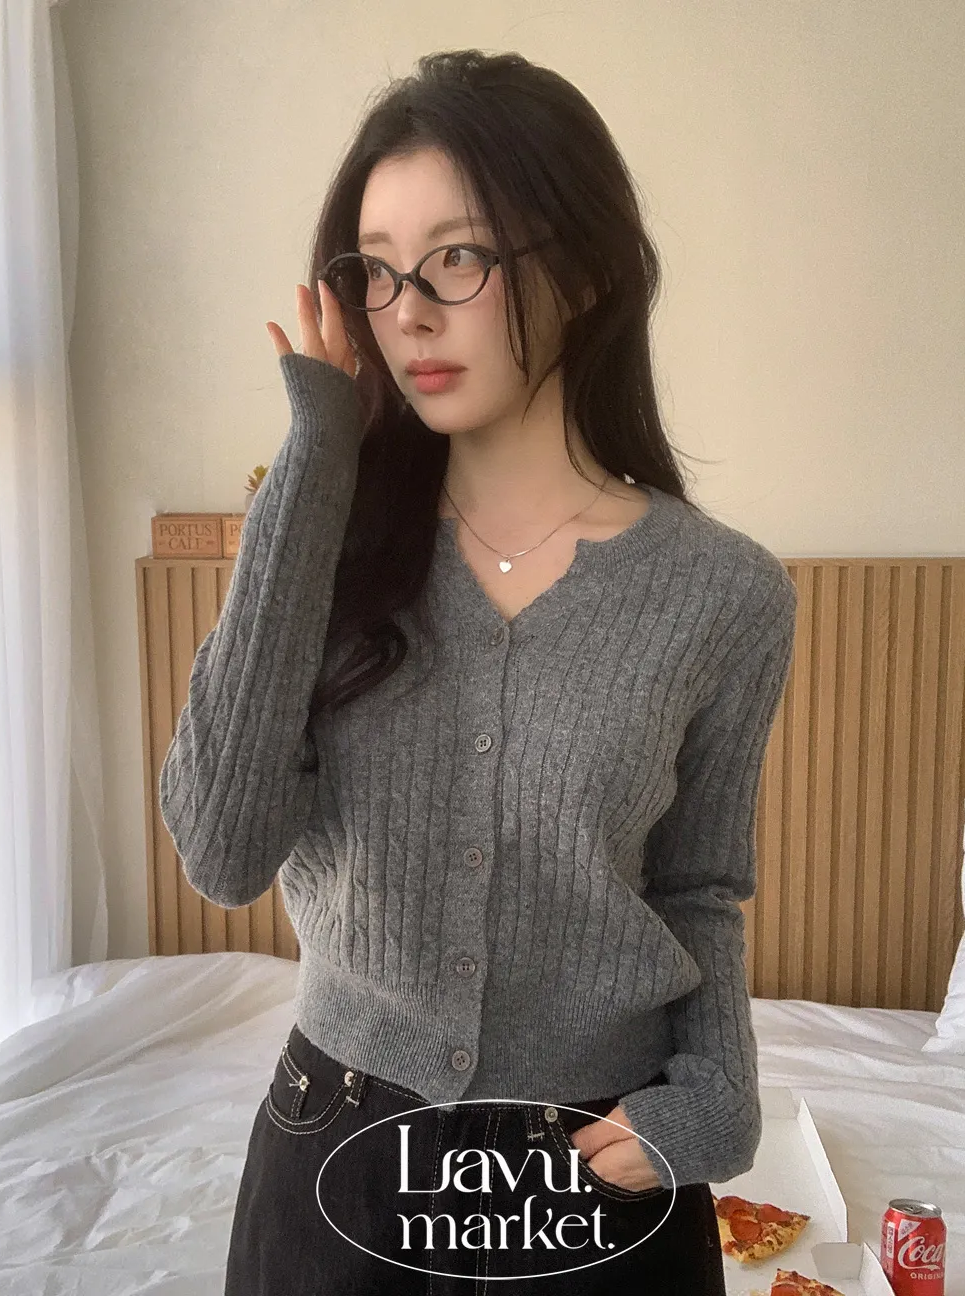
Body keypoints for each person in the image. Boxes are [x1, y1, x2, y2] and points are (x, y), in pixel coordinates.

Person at [159, 48, 797, 1295]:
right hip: (337, 1153)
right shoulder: (319, 543)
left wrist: (719, 1091)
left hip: (601, 1173)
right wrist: (316, 458)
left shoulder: (724, 593)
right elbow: (223, 853)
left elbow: (700, 886)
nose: (407, 311)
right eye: (376, 268)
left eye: (457, 257)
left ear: (588, 270)